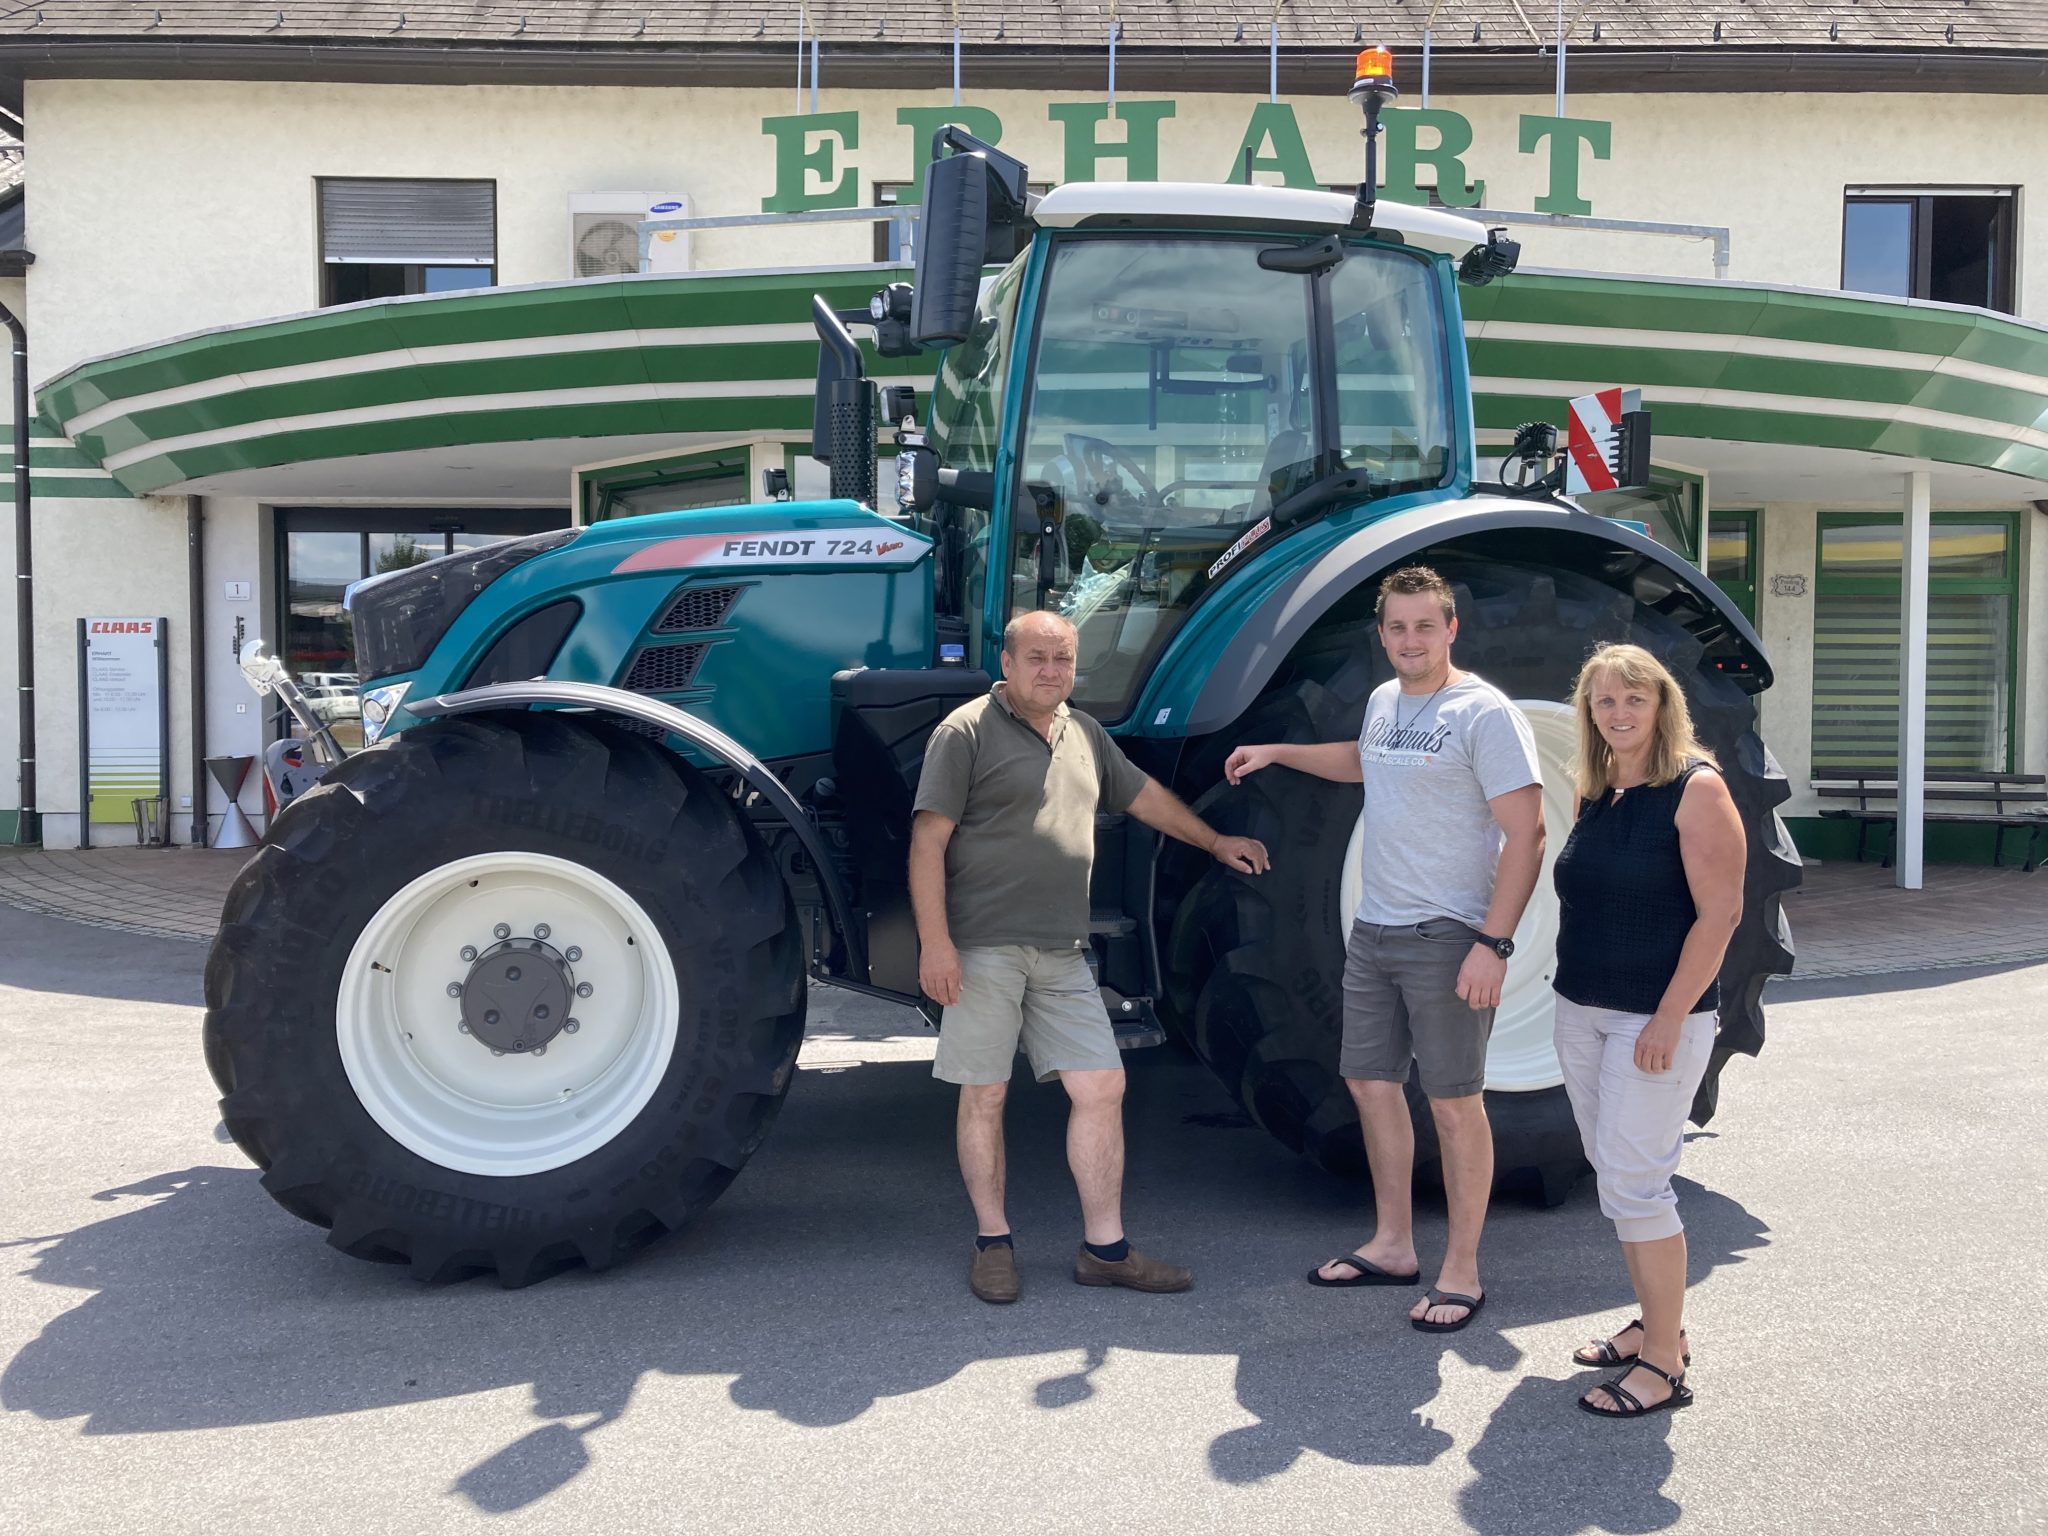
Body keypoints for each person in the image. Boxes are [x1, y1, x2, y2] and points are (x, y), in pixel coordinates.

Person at [910, 610, 1271, 1305]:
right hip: (983, 947)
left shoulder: (1085, 733)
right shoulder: (964, 733)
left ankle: (1104, 1249)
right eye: (1038, 657)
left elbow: (1144, 799)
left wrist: (1214, 842)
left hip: (1062, 950)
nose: (1052, 671)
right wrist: (936, 944)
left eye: (1064, 659)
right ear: (1007, 664)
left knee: (1101, 1087)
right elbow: (928, 842)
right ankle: (992, 1242)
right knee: (985, 1093)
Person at [1225, 565, 1545, 1332]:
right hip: (1375, 930)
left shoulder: (1485, 714)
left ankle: (1461, 1270)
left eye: (1424, 626)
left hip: (1447, 935)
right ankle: (1394, 1244)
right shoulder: (1385, 701)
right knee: (1370, 1087)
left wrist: (1492, 944)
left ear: (1451, 629)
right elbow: (1370, 761)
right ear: (1384, 633)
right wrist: (1278, 751)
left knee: (1455, 1104)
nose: (1410, 640)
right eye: (1397, 628)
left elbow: (1527, 834)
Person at [1551, 642, 1745, 1418]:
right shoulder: (1596, 790)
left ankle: (1664, 1363)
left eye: (1634, 699)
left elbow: (1721, 914)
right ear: (1589, 712)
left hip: (1653, 1020)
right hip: (1582, 1010)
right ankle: (1654, 1324)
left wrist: (1668, 1018)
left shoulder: (1697, 791)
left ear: (1661, 706)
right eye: (1604, 701)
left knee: (1639, 1184)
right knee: (1616, 1176)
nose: (1619, 713)